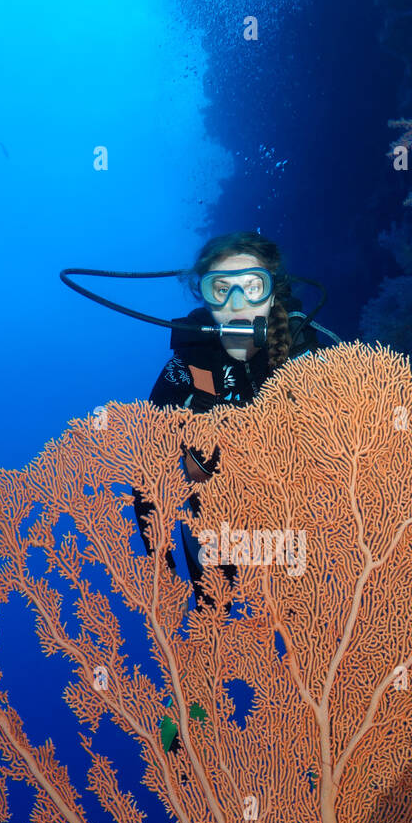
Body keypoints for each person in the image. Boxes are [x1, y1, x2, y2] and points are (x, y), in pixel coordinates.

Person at [132, 230, 321, 610]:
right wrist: (160, 563)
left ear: (273, 292)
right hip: (216, 534)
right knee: (214, 618)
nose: (237, 303)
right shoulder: (188, 367)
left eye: (252, 286)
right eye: (221, 288)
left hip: (303, 529)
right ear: (204, 297)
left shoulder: (306, 356)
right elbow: (147, 468)